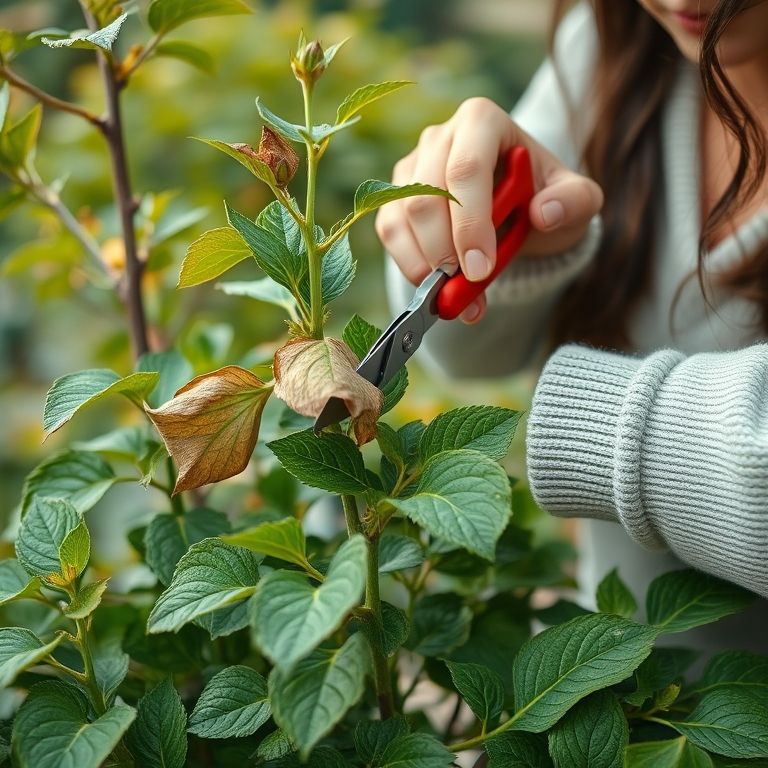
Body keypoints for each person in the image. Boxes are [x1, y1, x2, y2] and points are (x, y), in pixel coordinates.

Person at [380, 0, 768, 651]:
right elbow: (465, 351)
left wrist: (590, 417)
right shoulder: (620, 41)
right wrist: (480, 240)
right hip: (613, 699)